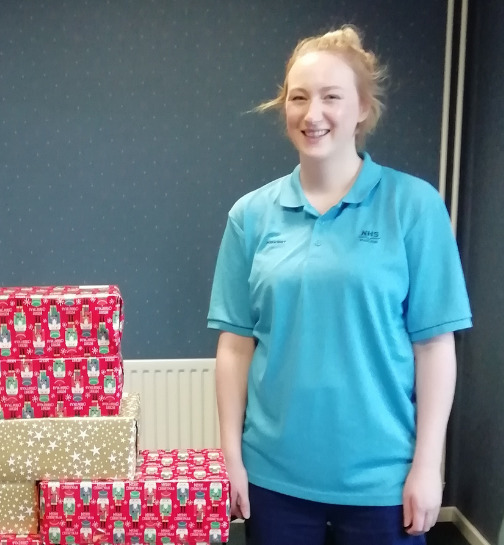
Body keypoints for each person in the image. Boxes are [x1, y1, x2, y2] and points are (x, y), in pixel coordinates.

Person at [207, 25, 472, 545]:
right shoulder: (250, 216)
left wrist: (428, 465)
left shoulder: (413, 206)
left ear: (363, 108)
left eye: (331, 97)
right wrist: (229, 458)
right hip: (274, 481)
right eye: (298, 98)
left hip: (382, 483)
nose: (313, 114)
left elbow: (435, 347)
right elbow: (235, 346)